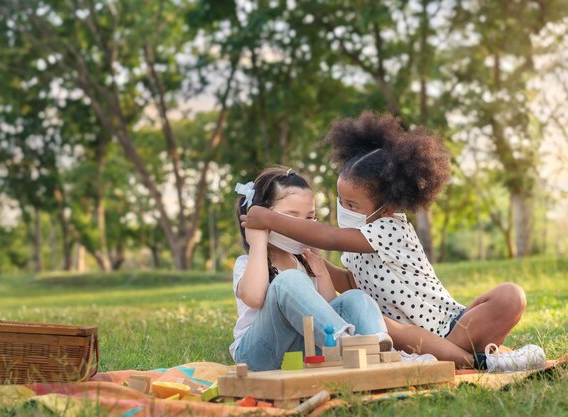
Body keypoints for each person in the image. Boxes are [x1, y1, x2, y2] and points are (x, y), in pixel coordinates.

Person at [240, 112, 546, 372]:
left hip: (450, 325)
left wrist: (269, 220)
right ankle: (470, 361)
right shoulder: (351, 249)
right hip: (402, 332)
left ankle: (453, 358)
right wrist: (318, 265)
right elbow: (350, 282)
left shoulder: (388, 229)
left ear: (385, 208)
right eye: (340, 201)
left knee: (510, 295)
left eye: (352, 205)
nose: (343, 211)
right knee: (385, 321)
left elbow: (328, 235)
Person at [230, 166, 393, 371]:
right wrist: (258, 244)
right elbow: (254, 298)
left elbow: (327, 312)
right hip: (258, 355)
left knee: (354, 297)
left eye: (309, 218)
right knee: (287, 281)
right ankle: (345, 345)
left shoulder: (304, 262)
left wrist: (322, 273)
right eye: (291, 216)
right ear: (263, 219)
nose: (302, 227)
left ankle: (379, 349)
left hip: (302, 352)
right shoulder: (246, 263)